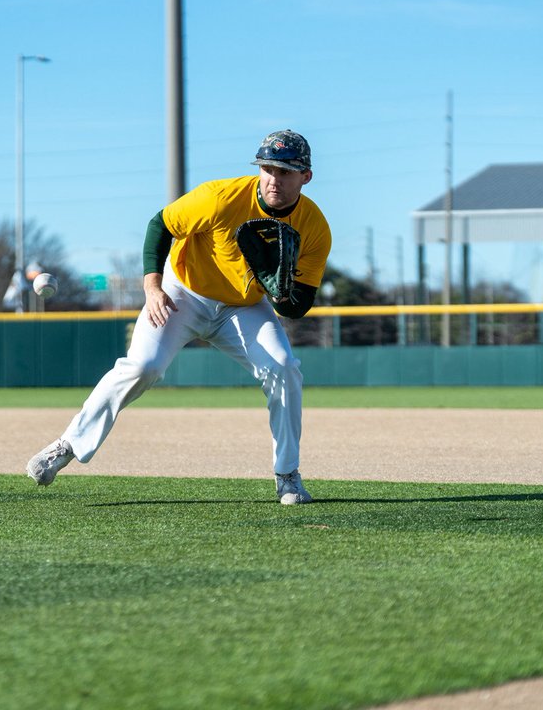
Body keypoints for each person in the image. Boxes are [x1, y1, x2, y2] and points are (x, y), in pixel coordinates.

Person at [27, 129, 332, 504]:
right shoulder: (220, 198)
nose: (274, 178)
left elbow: (295, 308)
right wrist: (153, 288)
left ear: (306, 177)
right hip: (183, 292)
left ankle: (287, 475)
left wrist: (279, 287)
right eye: (267, 168)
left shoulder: (314, 227)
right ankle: (67, 444)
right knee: (144, 366)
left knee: (284, 366)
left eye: (286, 171)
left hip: (243, 305)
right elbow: (161, 225)